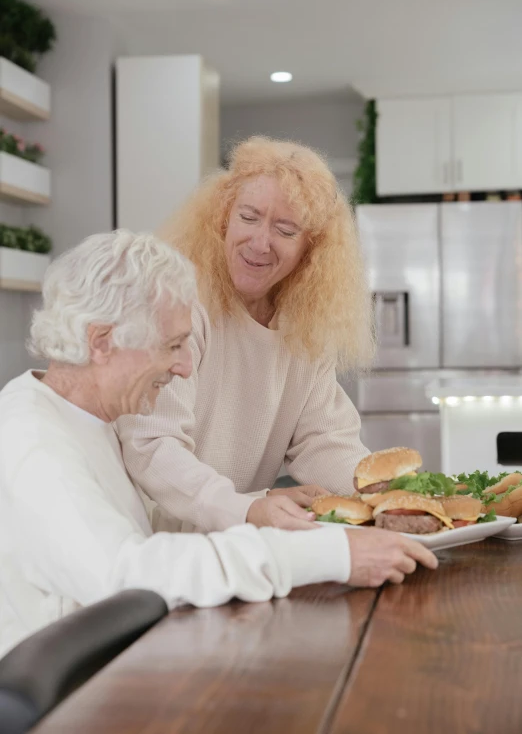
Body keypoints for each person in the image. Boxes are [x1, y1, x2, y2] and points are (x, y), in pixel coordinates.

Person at [0, 230, 437, 658]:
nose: (187, 367)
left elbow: (145, 538)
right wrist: (324, 554)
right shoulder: (32, 442)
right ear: (101, 342)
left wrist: (264, 508)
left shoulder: (88, 422)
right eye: (173, 345)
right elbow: (129, 575)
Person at [117, 136, 375, 532]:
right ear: (224, 217)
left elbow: (325, 442)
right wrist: (249, 507)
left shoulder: (303, 331)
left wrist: (390, 491)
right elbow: (153, 447)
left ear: (312, 249)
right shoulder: (181, 306)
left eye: (285, 229)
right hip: (158, 538)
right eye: (249, 217)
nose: (259, 242)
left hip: (234, 538)